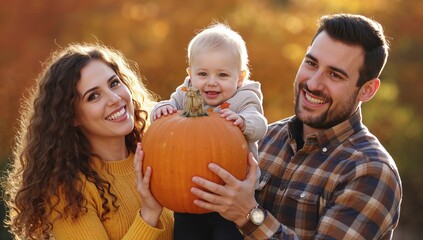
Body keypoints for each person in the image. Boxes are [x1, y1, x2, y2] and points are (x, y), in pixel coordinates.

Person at [189, 13, 403, 240]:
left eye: (335, 75)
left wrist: (249, 215)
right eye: (311, 63)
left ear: (367, 90)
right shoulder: (263, 139)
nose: (313, 83)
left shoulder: (370, 171)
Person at [3, 43, 174, 239]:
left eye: (114, 83)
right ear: (72, 116)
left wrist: (218, 209)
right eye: (93, 96)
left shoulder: (157, 154)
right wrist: (149, 214)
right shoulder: (69, 192)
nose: (114, 99)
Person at [151, 23, 267, 240]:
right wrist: (161, 109)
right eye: (203, 74)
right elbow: (164, 110)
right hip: (189, 196)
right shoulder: (186, 93)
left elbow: (260, 125)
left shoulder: (244, 99)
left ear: (239, 78)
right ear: (190, 74)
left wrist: (243, 122)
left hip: (232, 200)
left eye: (222, 75)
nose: (211, 82)